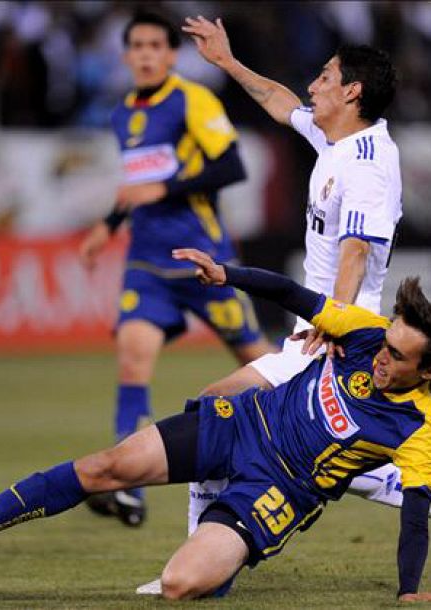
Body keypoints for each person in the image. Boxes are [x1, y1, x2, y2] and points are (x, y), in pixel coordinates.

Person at [124, 14, 431, 590]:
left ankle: (202, 571)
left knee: (218, 414)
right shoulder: (338, 137)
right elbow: (278, 102)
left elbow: (355, 251)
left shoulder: (371, 165)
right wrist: (225, 61)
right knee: (298, 444)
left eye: (326, 75)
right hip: (318, 327)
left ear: (352, 91)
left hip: (339, 333)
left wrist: (334, 325)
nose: (313, 83)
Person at [0, 250, 431, 602]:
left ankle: (215, 560)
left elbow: (416, 513)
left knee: (180, 585)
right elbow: (291, 293)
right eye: (388, 344)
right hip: (244, 424)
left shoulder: (425, 426)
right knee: (107, 465)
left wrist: (408, 592)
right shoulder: (367, 332)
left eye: (398, 357)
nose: (382, 356)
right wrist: (227, 275)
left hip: (278, 491)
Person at [76, 11, 273, 526]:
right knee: (132, 360)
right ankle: (130, 488)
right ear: (125, 56)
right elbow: (138, 184)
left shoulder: (191, 100)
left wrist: (162, 190)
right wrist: (109, 224)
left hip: (205, 264)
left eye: (154, 46)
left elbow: (231, 166)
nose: (144, 54)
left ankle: (310, 439)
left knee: (266, 366)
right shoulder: (122, 115)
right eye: (135, 46)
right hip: (146, 263)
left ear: (170, 54)